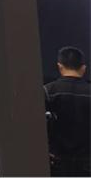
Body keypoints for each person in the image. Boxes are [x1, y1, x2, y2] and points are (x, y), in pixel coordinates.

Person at [44, 46, 90, 176]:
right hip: (87, 163)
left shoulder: (47, 91)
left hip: (57, 163)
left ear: (60, 66)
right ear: (83, 68)